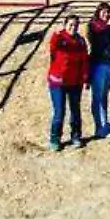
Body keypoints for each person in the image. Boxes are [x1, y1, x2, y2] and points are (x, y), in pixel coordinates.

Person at [45, 15, 88, 150]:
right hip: (58, 82)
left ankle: (76, 136)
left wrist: (85, 77)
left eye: (75, 25)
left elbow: (84, 61)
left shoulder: (80, 41)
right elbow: (52, 47)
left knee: (75, 110)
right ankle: (55, 138)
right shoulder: (59, 38)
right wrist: (56, 33)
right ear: (65, 25)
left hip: (75, 82)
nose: (73, 27)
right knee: (59, 112)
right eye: (70, 24)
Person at [85, 3, 110, 139]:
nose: (106, 14)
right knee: (97, 97)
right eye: (103, 12)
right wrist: (109, 27)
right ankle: (99, 127)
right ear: (98, 12)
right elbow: (98, 40)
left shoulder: (109, 26)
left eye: (108, 12)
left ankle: (104, 123)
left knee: (104, 95)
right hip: (98, 64)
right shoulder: (93, 25)